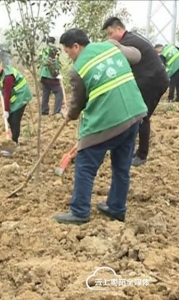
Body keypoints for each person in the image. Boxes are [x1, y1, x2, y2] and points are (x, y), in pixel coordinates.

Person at [53, 28, 148, 225]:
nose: (67, 55)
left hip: (109, 120)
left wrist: (68, 115)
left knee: (85, 165)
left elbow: (77, 104)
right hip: (134, 114)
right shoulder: (111, 46)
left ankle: (79, 211)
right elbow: (137, 55)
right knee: (122, 166)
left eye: (67, 50)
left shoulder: (77, 69)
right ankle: (116, 208)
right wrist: (118, 49)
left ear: (77, 46)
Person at [102, 17, 169, 167]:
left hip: (152, 81)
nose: (110, 38)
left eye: (110, 33)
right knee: (138, 115)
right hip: (151, 80)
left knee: (141, 116)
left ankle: (141, 155)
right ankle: (136, 151)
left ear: (119, 30)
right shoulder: (132, 38)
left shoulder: (127, 43)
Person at [0, 57, 33, 157]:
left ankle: (14, 144)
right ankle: (14, 141)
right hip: (15, 96)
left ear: (1, 64)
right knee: (10, 119)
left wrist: (6, 110)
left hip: (22, 96)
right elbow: (4, 88)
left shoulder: (8, 76)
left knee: (14, 121)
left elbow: (8, 94)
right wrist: (2, 90)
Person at [39, 36, 64, 116]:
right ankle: (57, 111)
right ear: (54, 42)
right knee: (59, 92)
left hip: (43, 75)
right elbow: (53, 63)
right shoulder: (54, 50)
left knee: (46, 93)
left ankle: (44, 111)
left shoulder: (42, 50)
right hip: (51, 76)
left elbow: (41, 62)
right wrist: (56, 74)